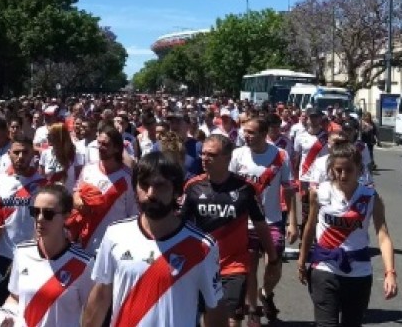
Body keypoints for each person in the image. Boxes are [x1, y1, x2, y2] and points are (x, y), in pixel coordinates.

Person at [82, 151, 225, 327]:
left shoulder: (202, 247)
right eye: (144, 184)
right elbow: (101, 296)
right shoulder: (114, 235)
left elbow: (215, 308)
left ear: (176, 191)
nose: (150, 193)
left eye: (160, 186)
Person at [297, 138, 398, 327]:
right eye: (338, 170)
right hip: (325, 268)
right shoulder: (319, 193)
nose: (343, 175)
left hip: (359, 272)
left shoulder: (370, 198)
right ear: (331, 169)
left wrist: (390, 272)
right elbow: (310, 227)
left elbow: (383, 236)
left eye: (349, 170)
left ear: (359, 169)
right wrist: (302, 261)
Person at [185, 134, 280, 327]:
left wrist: (272, 256)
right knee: (208, 317)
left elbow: (261, 224)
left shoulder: (245, 189)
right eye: (203, 154)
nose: (204, 158)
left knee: (230, 319)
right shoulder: (192, 187)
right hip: (202, 265)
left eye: (211, 154)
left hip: (234, 266)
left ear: (227, 157)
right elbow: (180, 225)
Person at [0, 184, 95, 327]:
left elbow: (93, 313)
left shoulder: (84, 264)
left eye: (48, 214)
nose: (40, 219)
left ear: (67, 216)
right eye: (35, 212)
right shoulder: (22, 253)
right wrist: (3, 315)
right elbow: (15, 297)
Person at [228, 119, 297, 324]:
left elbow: (290, 189)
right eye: (244, 132)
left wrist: (292, 222)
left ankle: (265, 292)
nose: (246, 136)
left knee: (274, 264)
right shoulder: (237, 155)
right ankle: (253, 312)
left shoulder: (280, 156)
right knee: (250, 267)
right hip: (244, 221)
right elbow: (229, 185)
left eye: (251, 132)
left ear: (264, 133)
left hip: (272, 220)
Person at [0, 134, 48, 316]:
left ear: (33, 154)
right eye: (16, 152)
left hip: (33, 255)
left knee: (28, 309)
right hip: (2, 255)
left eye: (25, 152)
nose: (21, 156)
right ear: (9, 154)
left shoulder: (44, 185)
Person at [70, 126, 138, 253]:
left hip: (113, 247)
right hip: (85, 243)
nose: (100, 147)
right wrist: (77, 200)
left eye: (105, 144)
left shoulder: (128, 178)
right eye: (99, 143)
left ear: (117, 148)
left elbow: (133, 215)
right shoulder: (89, 168)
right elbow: (76, 192)